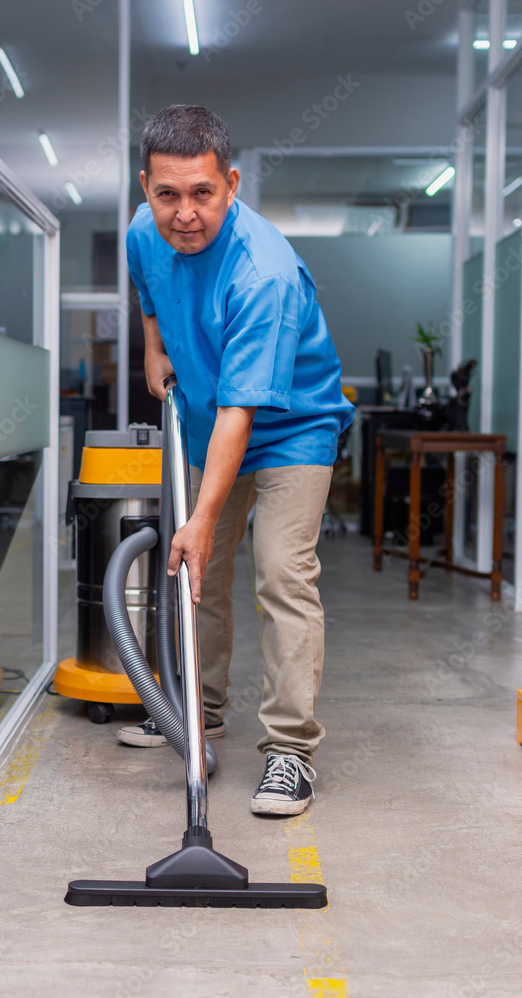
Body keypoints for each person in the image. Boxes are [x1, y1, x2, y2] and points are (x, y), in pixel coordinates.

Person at [118, 105, 354, 816]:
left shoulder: (265, 274)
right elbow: (148, 288)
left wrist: (203, 517)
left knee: (282, 573)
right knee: (202, 576)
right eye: (167, 194)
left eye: (202, 193)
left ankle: (289, 751)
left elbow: (240, 413)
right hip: (205, 418)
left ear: (231, 182)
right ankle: (198, 712)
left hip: (291, 428)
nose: (183, 214)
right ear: (146, 187)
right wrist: (154, 346)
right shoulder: (142, 229)